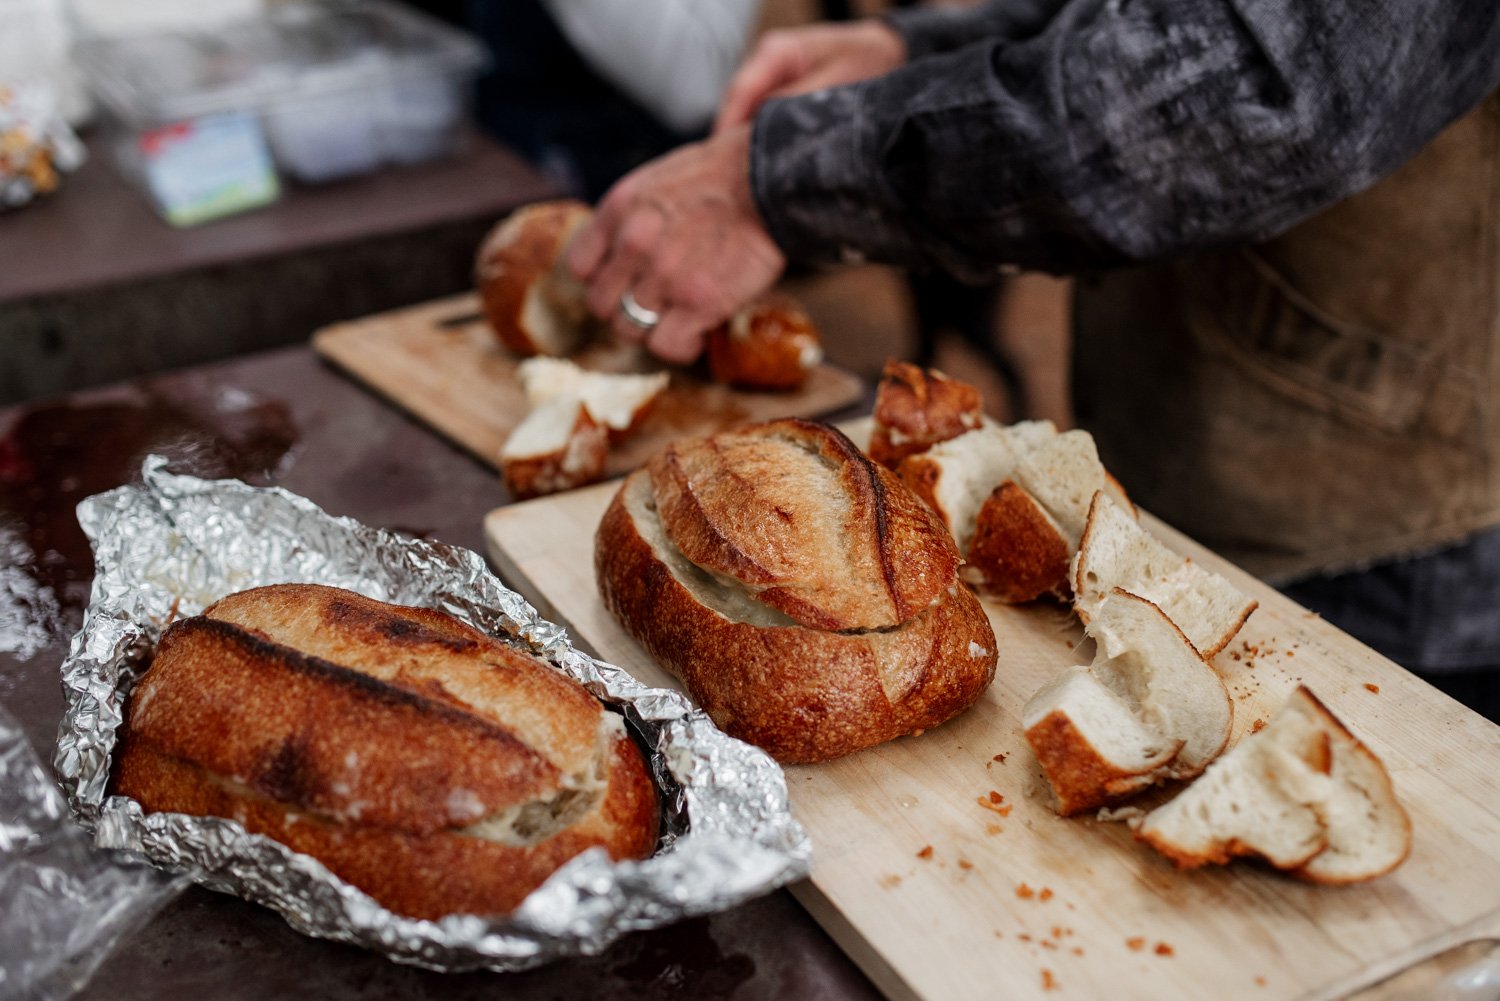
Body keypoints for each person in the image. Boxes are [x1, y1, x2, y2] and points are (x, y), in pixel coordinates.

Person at [565, 1, 1500, 721]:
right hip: (1196, 417)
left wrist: (776, 179)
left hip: (1394, 514)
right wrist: (926, 56)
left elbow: (1259, 87)